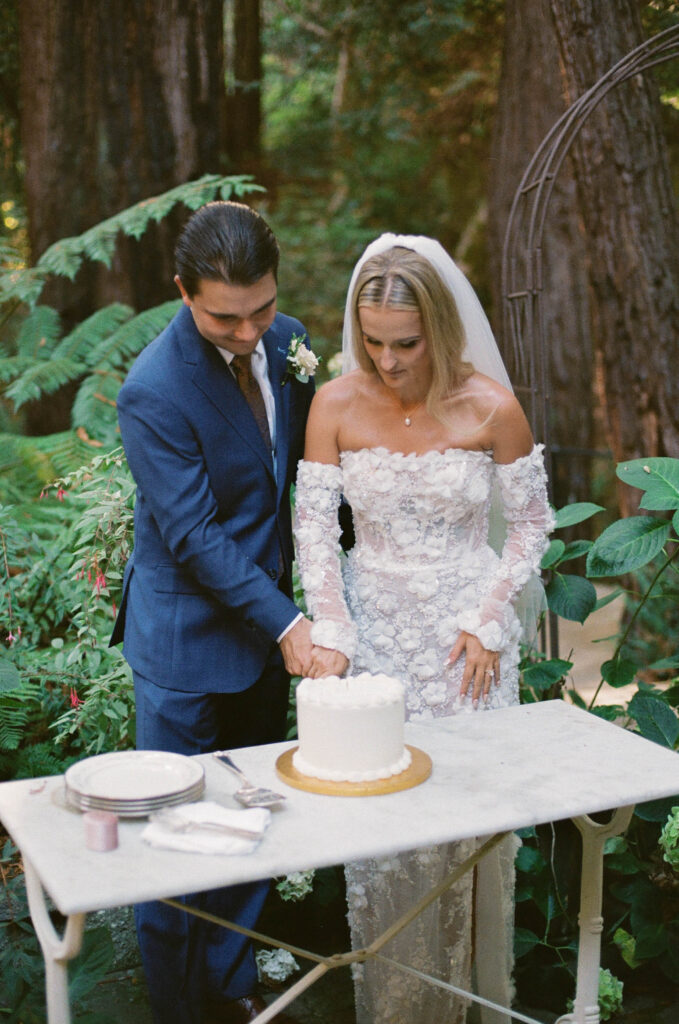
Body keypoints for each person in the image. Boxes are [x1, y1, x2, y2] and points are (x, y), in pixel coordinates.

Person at [293, 234, 555, 1024]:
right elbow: (314, 529)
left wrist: (490, 618)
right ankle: (398, 1007)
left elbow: (529, 524)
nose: (387, 361)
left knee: (467, 827)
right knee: (386, 833)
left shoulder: (489, 406)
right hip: (373, 640)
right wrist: (332, 627)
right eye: (372, 342)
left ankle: (469, 1004)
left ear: (439, 329)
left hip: (465, 644)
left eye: (405, 344)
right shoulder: (335, 404)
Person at [110, 201, 316, 1024]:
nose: (247, 332)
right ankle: (173, 1007)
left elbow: (302, 477)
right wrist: (289, 622)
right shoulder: (152, 390)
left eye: (260, 310)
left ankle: (232, 989)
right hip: (185, 647)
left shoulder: (290, 341)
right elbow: (192, 534)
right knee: (173, 840)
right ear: (182, 292)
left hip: (263, 640)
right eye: (224, 318)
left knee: (246, 819)